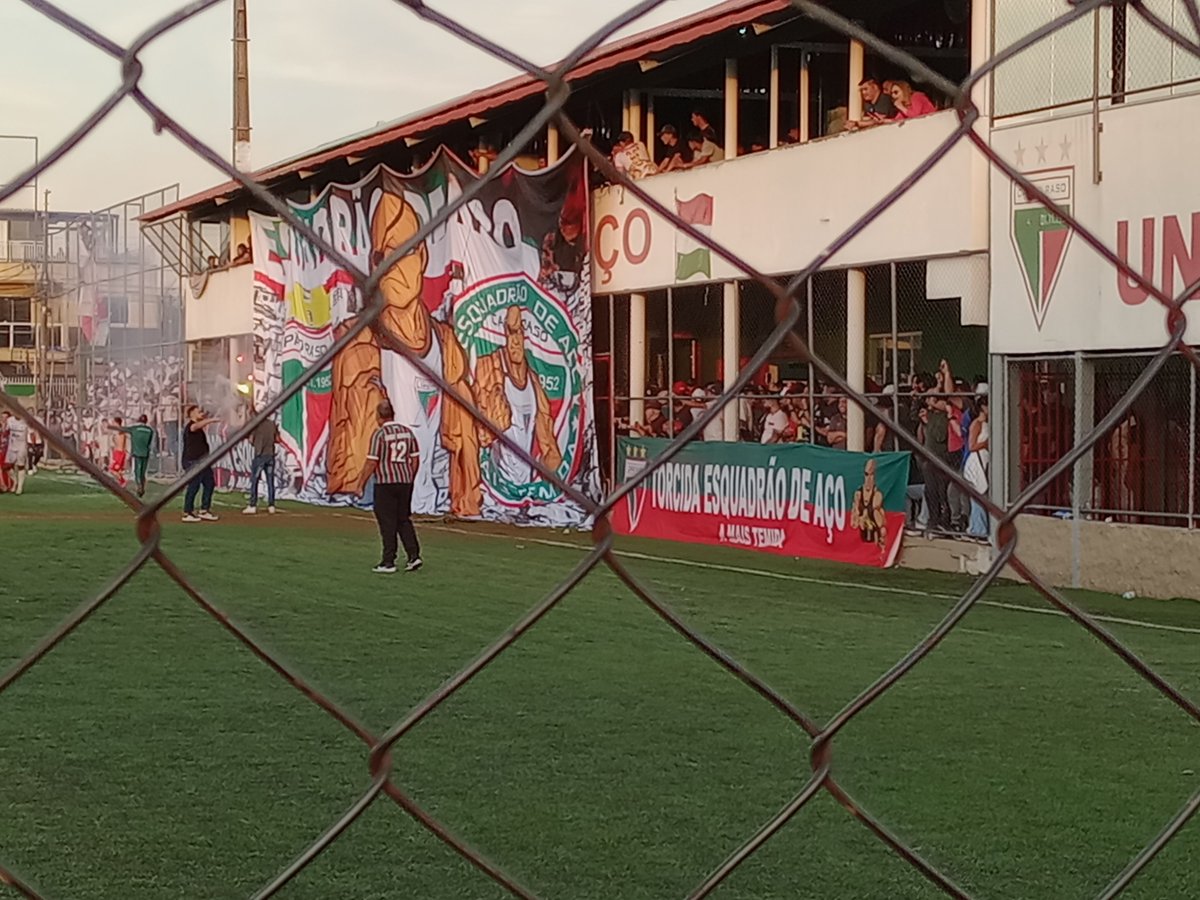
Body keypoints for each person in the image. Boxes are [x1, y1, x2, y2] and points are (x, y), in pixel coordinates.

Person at [475, 305, 564, 485]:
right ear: (504, 334)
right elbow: (480, 435)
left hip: (525, 486)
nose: (515, 341)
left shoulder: (534, 382)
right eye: (511, 333)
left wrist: (550, 482)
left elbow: (549, 448)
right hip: (497, 485)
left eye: (519, 333)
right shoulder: (490, 368)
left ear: (525, 336)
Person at [358, 400, 423, 574]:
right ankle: (414, 555)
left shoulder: (379, 435)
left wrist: (360, 484)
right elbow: (415, 459)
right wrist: (410, 477)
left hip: (385, 483)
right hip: (405, 482)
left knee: (387, 522)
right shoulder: (407, 433)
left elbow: (372, 462)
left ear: (379, 416)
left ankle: (388, 561)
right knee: (403, 519)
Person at [181, 404, 221, 523]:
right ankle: (187, 511)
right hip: (193, 461)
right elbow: (196, 426)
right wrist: (212, 420)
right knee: (194, 486)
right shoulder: (190, 426)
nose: (201, 414)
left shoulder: (198, 427)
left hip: (203, 462)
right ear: (192, 414)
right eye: (199, 412)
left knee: (209, 483)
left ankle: (204, 510)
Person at [243, 408, 280, 515]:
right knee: (270, 481)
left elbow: (251, 440)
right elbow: (277, 439)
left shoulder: (256, 425)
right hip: (270, 455)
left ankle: (253, 505)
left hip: (260, 455)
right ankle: (271, 505)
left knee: (254, 480)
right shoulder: (272, 424)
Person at [111, 414, 157, 497]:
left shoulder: (135, 428)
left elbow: (123, 429)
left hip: (137, 452)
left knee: (137, 471)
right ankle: (142, 486)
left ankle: (139, 486)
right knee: (143, 472)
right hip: (145, 452)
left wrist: (111, 426)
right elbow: (150, 442)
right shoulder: (150, 430)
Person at [964, 397, 990, 539]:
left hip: (985, 460)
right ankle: (979, 528)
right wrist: (986, 443)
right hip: (976, 461)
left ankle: (976, 526)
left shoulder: (988, 424)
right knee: (978, 494)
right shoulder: (977, 424)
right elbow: (972, 445)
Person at [3, 411, 28, 495]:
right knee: (6, 466)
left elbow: (30, 433)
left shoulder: (26, 421)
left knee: (20, 466)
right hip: (11, 445)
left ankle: (20, 487)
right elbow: (6, 431)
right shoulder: (10, 420)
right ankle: (15, 482)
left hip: (21, 445)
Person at [109, 416, 130, 488]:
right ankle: (121, 482)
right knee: (118, 470)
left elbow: (121, 443)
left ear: (117, 423)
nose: (112, 423)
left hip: (119, 453)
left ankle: (122, 481)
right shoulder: (117, 432)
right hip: (117, 452)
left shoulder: (121, 431)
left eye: (113, 422)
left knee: (112, 469)